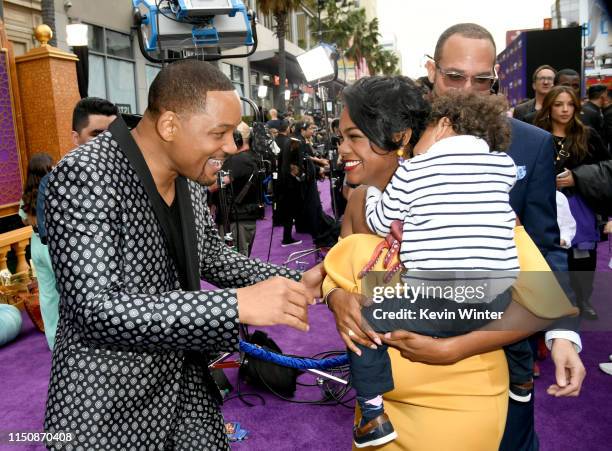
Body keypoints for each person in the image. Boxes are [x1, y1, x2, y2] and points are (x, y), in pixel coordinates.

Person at [326, 23, 585, 451]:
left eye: (481, 79)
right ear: (432, 72)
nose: (468, 89)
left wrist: (459, 348)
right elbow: (340, 266)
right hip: (387, 407)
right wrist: (339, 298)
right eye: (454, 76)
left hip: (471, 385)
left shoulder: (500, 171)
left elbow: (543, 283)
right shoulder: (365, 194)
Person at [43, 60, 324, 450]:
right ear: (170, 126)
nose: (231, 146)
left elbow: (213, 258)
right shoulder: (84, 175)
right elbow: (94, 309)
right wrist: (232, 307)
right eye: (219, 133)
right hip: (106, 409)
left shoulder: (188, 177)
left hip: (186, 390)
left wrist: (301, 282)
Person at [353, 89, 522, 447]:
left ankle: (373, 417)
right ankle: (523, 381)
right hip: (497, 299)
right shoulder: (502, 165)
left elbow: (381, 220)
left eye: (422, 132)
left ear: (444, 125)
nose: (413, 143)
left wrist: (369, 194)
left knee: (364, 324)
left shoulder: (415, 169)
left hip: (442, 299)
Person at [534, 85, 611, 320]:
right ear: (549, 107)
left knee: (584, 258)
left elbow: (606, 169)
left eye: (569, 104)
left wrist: (577, 177)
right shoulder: (536, 134)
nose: (565, 110)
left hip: (581, 206)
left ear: (576, 106)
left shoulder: (587, 135)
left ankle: (582, 299)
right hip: (545, 206)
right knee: (548, 254)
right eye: (558, 104)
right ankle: (552, 301)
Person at [18, 153, 56, 349]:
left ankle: (53, 340)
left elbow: (24, 218)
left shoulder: (25, 197)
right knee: (67, 293)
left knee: (47, 295)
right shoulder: (52, 192)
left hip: (35, 245)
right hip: (53, 244)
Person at [214, 122, 263, 256]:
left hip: (237, 220)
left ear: (237, 139)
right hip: (242, 217)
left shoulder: (238, 161)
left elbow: (214, 185)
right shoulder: (250, 156)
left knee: (235, 260)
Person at [275, 120, 303, 246]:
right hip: (290, 182)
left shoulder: (287, 142)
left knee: (288, 210)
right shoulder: (293, 142)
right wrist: (298, 176)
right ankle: (287, 238)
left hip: (283, 181)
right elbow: (294, 164)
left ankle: (287, 237)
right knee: (290, 210)